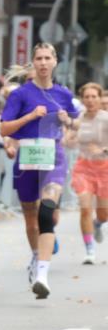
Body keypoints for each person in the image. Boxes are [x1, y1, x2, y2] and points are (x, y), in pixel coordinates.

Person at [0, 43, 79, 299]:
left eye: (47, 58)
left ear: (55, 62)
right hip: (27, 159)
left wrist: (68, 121)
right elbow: (4, 129)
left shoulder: (63, 94)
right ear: (33, 62)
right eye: (39, 58)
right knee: (31, 218)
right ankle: (36, 256)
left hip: (53, 157)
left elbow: (78, 125)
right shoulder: (20, 95)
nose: (43, 62)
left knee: (46, 212)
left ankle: (43, 276)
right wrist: (30, 116)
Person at [70, 83, 108, 264]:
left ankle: (98, 223)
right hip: (83, 168)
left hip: (104, 169)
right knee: (85, 208)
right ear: (82, 99)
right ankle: (90, 250)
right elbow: (68, 139)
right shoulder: (78, 119)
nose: (90, 100)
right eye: (87, 97)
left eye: (94, 96)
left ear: (100, 98)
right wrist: (68, 139)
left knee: (104, 214)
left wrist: (103, 150)